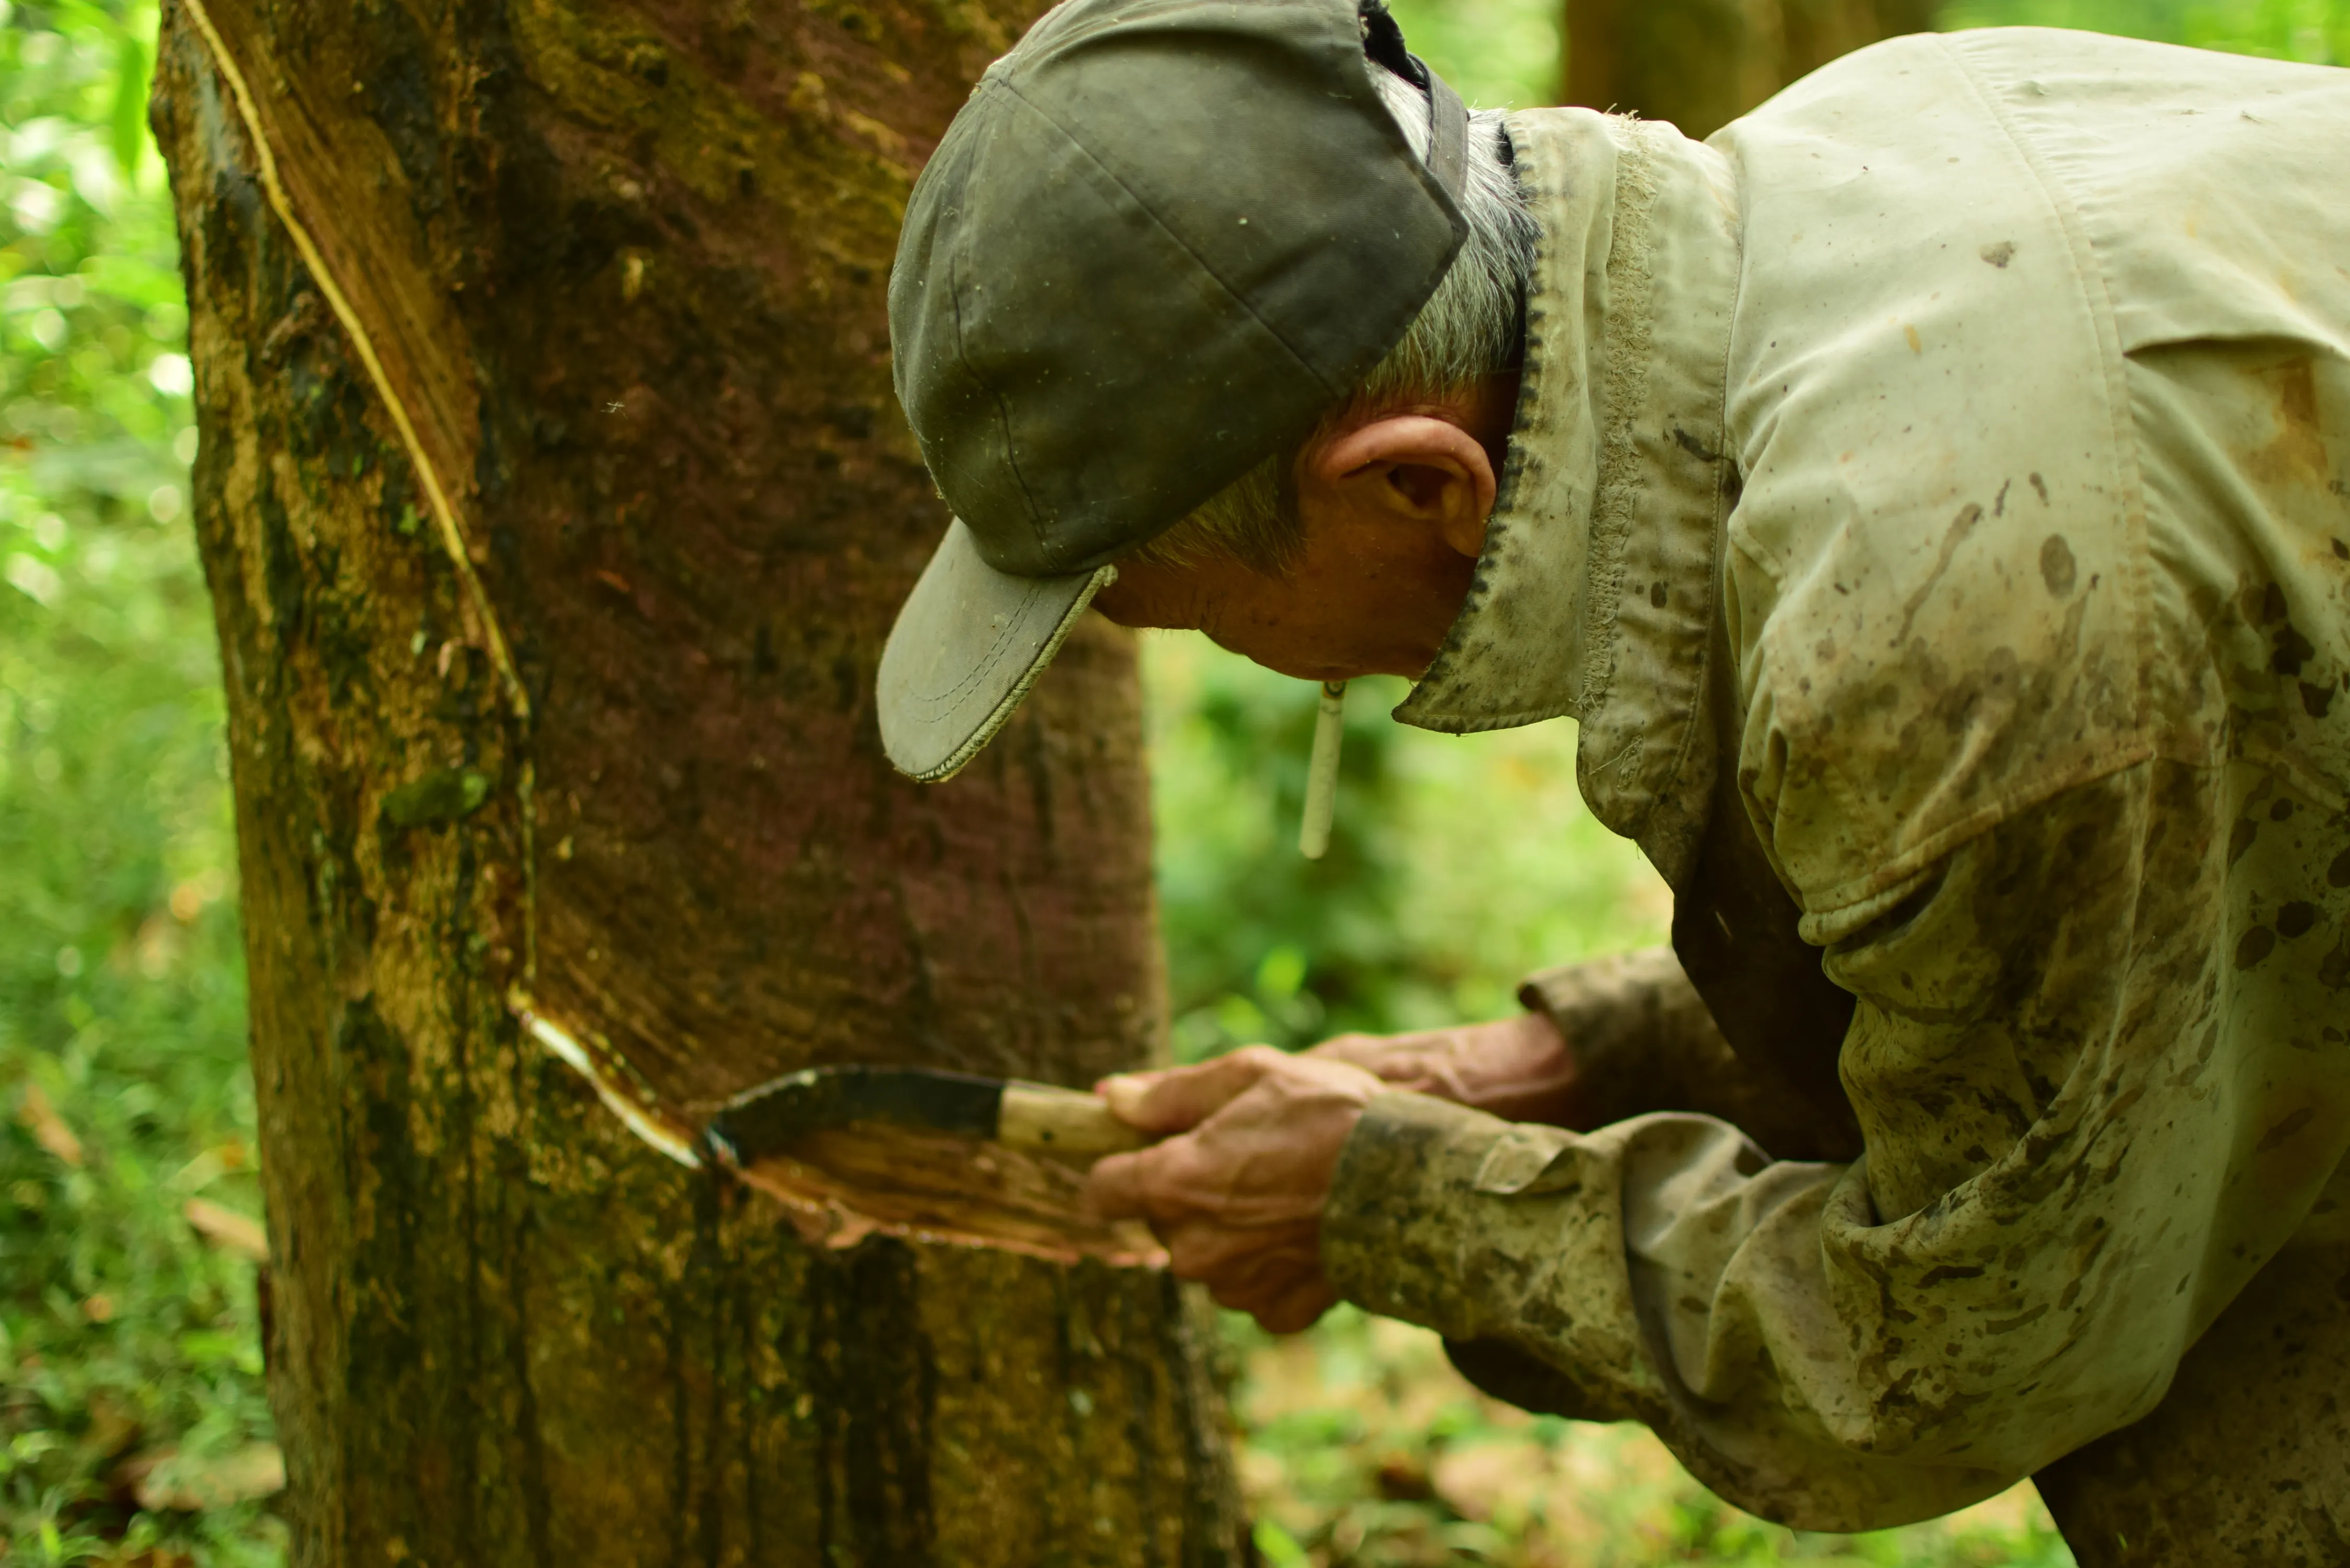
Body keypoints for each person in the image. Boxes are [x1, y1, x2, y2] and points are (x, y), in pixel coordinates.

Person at [874, 0, 2350, 1551]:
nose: (1237, 660)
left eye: (1168, 608)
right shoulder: (1886, 145)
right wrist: (1563, 1063)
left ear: (1420, 485)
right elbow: (2134, 942)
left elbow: (1955, 1352)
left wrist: (1390, 1202)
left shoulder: (1936, 637)